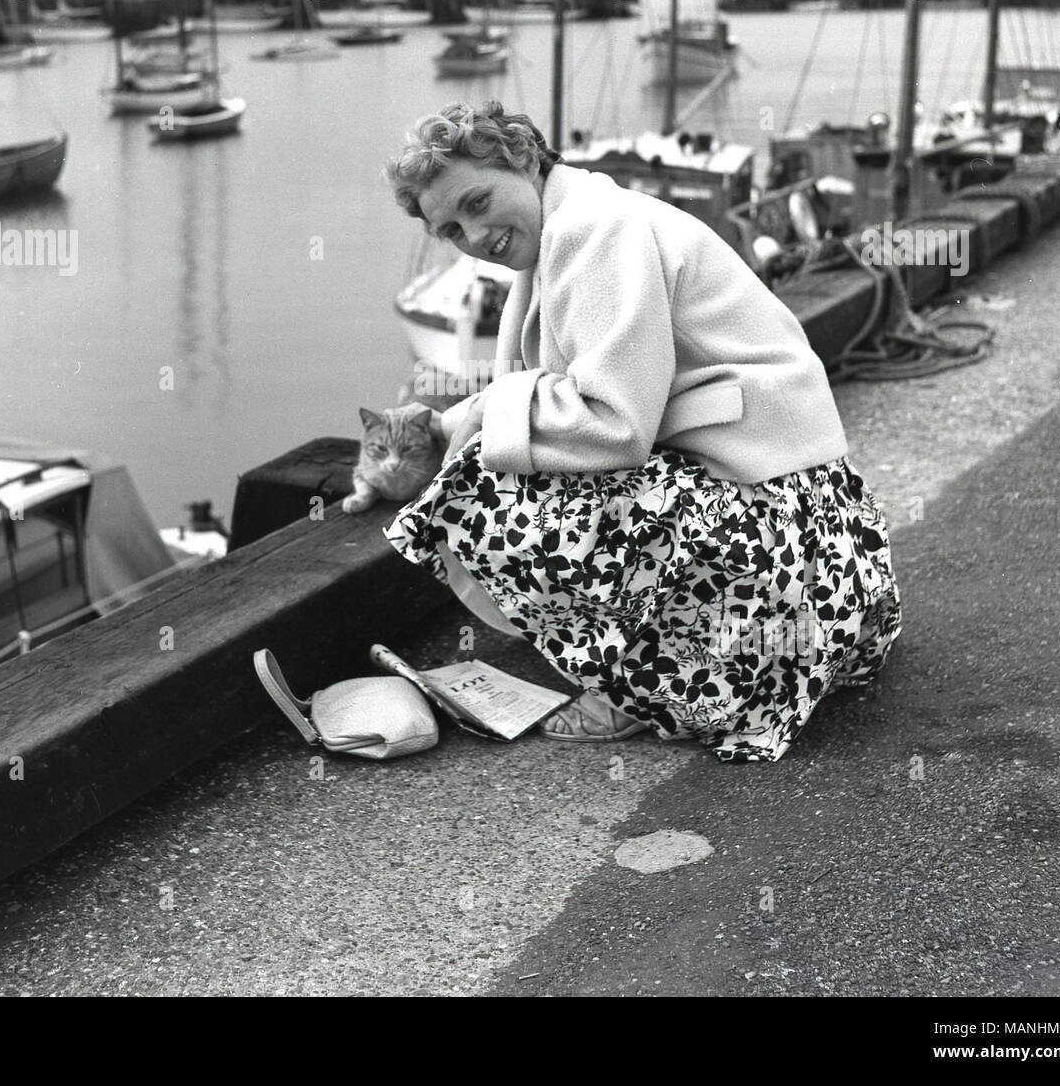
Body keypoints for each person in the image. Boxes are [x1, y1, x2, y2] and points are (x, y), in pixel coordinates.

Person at [381, 101, 901, 761]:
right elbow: (549, 399)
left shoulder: (596, 231)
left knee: (478, 497)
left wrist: (482, 422)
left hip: (779, 529)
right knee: (501, 464)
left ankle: (643, 687)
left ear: (522, 158)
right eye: (452, 230)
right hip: (828, 551)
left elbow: (613, 426)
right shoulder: (575, 224)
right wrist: (457, 420)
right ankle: (666, 650)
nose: (475, 236)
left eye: (478, 203)